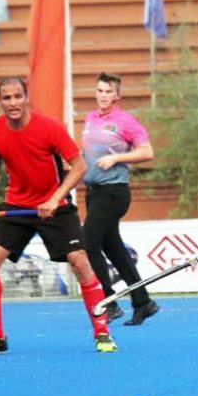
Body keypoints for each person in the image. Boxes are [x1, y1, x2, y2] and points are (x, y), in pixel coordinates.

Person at [0, 77, 117, 354]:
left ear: (26, 97)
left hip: (55, 206)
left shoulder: (50, 128)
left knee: (80, 262)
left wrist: (55, 198)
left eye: (18, 96)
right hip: (16, 207)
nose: (13, 103)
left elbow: (79, 167)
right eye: (6, 98)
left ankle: (102, 332)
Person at [82, 72, 160, 325]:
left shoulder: (125, 121)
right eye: (100, 90)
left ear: (117, 95)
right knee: (114, 249)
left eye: (108, 91)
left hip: (113, 192)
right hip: (93, 193)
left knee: (89, 243)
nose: (103, 95)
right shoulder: (90, 118)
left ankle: (108, 301)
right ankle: (143, 302)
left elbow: (147, 152)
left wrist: (116, 158)